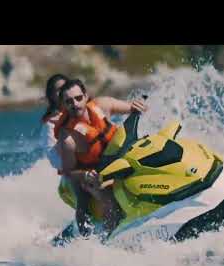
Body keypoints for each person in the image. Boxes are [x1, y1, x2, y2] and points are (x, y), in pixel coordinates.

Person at [56, 78, 147, 235]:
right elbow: (69, 172)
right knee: (97, 197)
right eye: (69, 101)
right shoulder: (68, 139)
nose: (75, 104)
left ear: (86, 96)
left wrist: (138, 106)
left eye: (78, 98)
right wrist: (85, 174)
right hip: (88, 172)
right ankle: (101, 239)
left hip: (116, 157)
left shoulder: (103, 105)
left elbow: (132, 108)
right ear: (64, 105)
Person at [39, 74, 69, 172]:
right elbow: (53, 158)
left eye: (65, 88)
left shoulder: (83, 109)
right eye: (58, 90)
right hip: (74, 175)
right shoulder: (50, 123)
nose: (62, 92)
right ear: (52, 96)